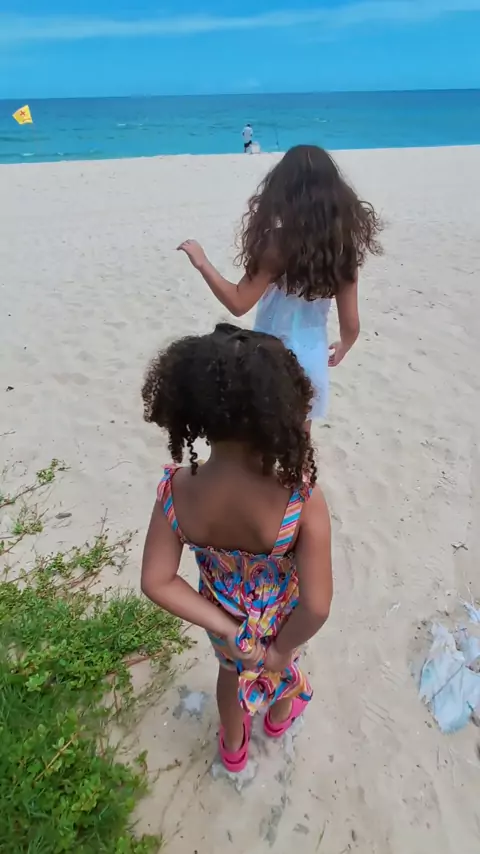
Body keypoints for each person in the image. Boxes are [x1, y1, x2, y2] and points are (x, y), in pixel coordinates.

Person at [141, 324, 332, 773]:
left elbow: (156, 580)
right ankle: (278, 721)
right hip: (283, 620)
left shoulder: (177, 492)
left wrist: (227, 628)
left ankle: (233, 746)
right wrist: (280, 650)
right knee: (283, 669)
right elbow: (317, 605)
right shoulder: (300, 499)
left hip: (224, 622)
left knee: (230, 675)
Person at [178, 145, 382, 427]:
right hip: (312, 359)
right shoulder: (342, 250)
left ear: (283, 192)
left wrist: (203, 263)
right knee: (299, 443)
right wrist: (344, 345)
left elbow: (238, 303)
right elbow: (351, 324)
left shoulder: (275, 244)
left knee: (262, 438)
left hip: (269, 356)